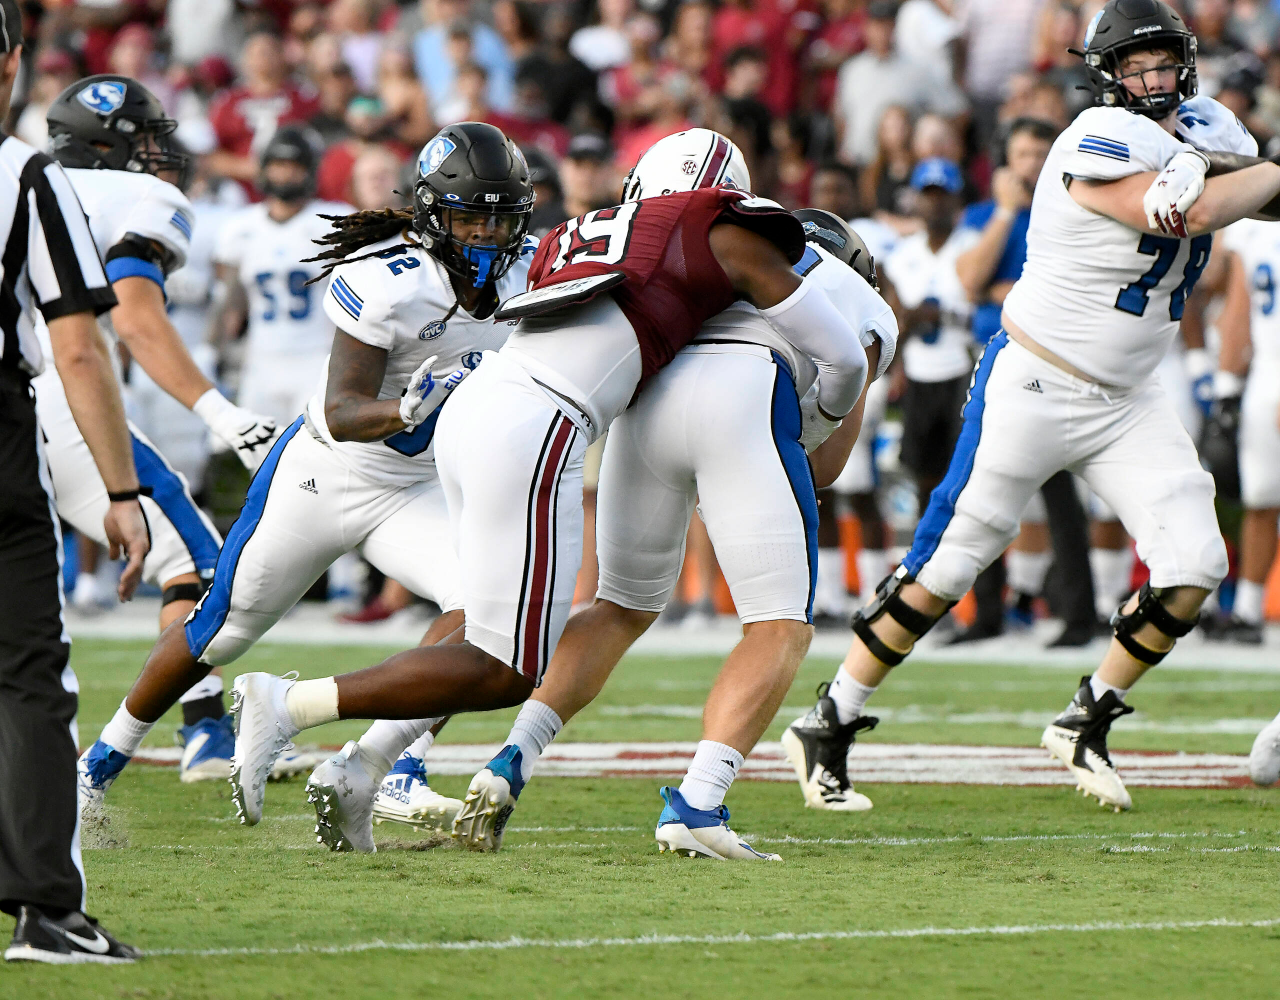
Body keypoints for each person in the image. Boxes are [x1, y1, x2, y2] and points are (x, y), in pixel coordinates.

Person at [226, 128, 866, 853]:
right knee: (505, 666)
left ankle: (362, 769)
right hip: (541, 423)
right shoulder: (715, 228)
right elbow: (840, 355)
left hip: (479, 410)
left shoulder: (587, 230)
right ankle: (289, 704)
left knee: (487, 627)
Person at [786, 0, 1275, 814]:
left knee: (1196, 564)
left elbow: (1253, 191)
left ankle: (1087, 717)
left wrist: (1239, 166)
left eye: (1163, 60)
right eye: (1135, 64)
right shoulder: (1092, 136)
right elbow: (1181, 211)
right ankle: (829, 717)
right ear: (1106, 75)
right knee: (949, 564)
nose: (1152, 76)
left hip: (1129, 398)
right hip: (1038, 380)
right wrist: (1252, 171)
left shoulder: (1207, 126)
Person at [76, 124, 535, 844]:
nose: (486, 235)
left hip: (417, 485)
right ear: (431, 213)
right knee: (221, 632)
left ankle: (383, 766)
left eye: (500, 220)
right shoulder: (392, 280)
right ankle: (94, 769)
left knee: (484, 610)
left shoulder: (531, 272)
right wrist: (403, 409)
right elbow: (343, 411)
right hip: (326, 472)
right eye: (470, 217)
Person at [452, 203, 894, 855]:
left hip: (646, 396)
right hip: (748, 391)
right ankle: (699, 803)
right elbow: (826, 466)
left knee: (617, 608)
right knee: (778, 624)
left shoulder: (728, 248)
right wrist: (787, 438)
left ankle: (510, 757)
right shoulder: (862, 299)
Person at [32, 76, 280, 785]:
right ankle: (204, 734)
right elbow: (134, 317)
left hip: (22, 389)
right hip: (54, 391)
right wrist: (221, 413)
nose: (156, 153)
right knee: (197, 566)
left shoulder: (19, 177)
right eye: (143, 138)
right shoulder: (138, 198)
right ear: (106, 144)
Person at [0, 1, 149, 962]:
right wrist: (121, 492)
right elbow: (80, 349)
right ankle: (46, 910)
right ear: (11, 60)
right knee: (26, 675)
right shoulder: (23, 173)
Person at [949, 116, 1101, 648]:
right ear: (1005, 161)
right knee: (976, 483)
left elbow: (1078, 287)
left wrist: (1009, 290)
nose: (1033, 165)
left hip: (1049, 358)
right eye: (1023, 155)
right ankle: (985, 612)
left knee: (1058, 489)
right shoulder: (984, 214)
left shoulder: (1075, 209)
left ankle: (1078, 615)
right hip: (991, 357)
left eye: (1042, 153)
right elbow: (971, 282)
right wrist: (1006, 211)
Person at [211, 127, 356, 426]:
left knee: (313, 442)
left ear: (310, 171)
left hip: (317, 355)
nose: (285, 174)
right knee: (259, 446)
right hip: (260, 360)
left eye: (294, 166)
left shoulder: (333, 219)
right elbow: (231, 301)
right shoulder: (241, 227)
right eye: (278, 165)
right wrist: (215, 349)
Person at [881, 157, 974, 517]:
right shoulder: (903, 254)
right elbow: (895, 316)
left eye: (943, 195)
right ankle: (925, 545)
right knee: (923, 475)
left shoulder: (973, 245)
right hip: (919, 372)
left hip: (963, 368)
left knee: (965, 475)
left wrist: (942, 314)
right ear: (916, 200)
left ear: (957, 199)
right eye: (928, 195)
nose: (935, 204)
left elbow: (985, 309)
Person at [1206, 218, 1280, 644]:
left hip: (1269, 374)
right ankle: (1248, 610)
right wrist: (1228, 387)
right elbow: (1237, 307)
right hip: (1265, 373)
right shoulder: (1252, 224)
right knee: (1259, 498)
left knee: (1261, 499)